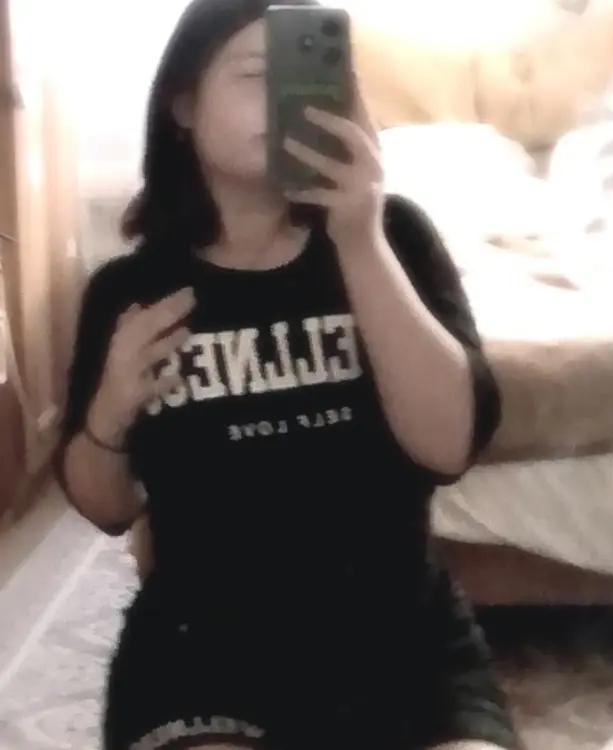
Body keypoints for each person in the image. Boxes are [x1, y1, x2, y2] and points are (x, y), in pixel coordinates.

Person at [54, 1, 520, 749]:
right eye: (253, 75)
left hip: (402, 640)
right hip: (200, 648)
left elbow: (447, 448)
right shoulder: (129, 290)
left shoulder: (394, 238)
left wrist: (358, 238)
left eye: (306, 77)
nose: (285, 101)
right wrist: (110, 410)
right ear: (183, 104)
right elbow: (106, 508)